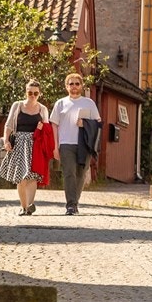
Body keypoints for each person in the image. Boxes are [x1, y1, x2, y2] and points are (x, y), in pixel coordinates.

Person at [0, 79, 52, 214]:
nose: (32, 95)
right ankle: (23, 206)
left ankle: (29, 205)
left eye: (35, 93)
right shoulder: (17, 105)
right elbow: (9, 125)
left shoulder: (43, 109)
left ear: (39, 94)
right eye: (30, 93)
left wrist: (42, 127)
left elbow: (47, 130)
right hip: (19, 143)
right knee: (21, 177)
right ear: (26, 92)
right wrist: (6, 141)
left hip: (35, 145)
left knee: (32, 176)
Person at [49, 72, 101, 215]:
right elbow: (54, 125)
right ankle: (71, 205)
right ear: (66, 86)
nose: (74, 87)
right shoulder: (60, 103)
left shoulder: (89, 103)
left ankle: (74, 203)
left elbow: (98, 123)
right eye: (71, 84)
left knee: (81, 174)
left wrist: (84, 123)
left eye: (77, 84)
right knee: (69, 173)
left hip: (84, 144)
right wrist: (55, 146)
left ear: (81, 86)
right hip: (66, 143)